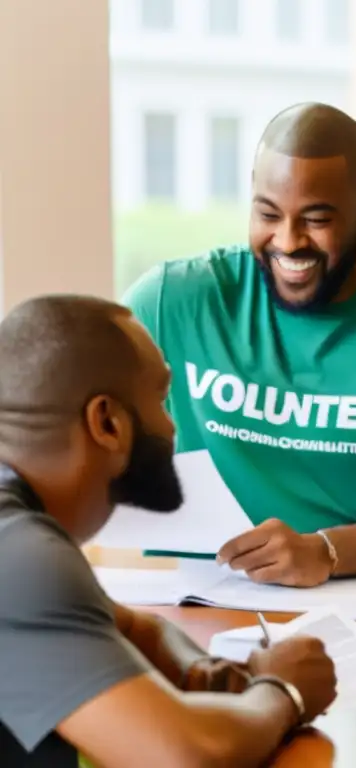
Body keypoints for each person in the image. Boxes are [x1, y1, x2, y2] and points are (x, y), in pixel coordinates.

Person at [122, 102, 356, 587]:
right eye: (268, 214)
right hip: (187, 592)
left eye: (316, 219)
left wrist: (326, 552)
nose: (288, 240)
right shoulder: (169, 301)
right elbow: (70, 425)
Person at [0, 295, 338, 768]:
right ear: (107, 423)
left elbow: (138, 628)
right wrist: (284, 691)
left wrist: (204, 673)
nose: (170, 423)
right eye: (161, 400)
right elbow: (186, 756)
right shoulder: (19, 552)